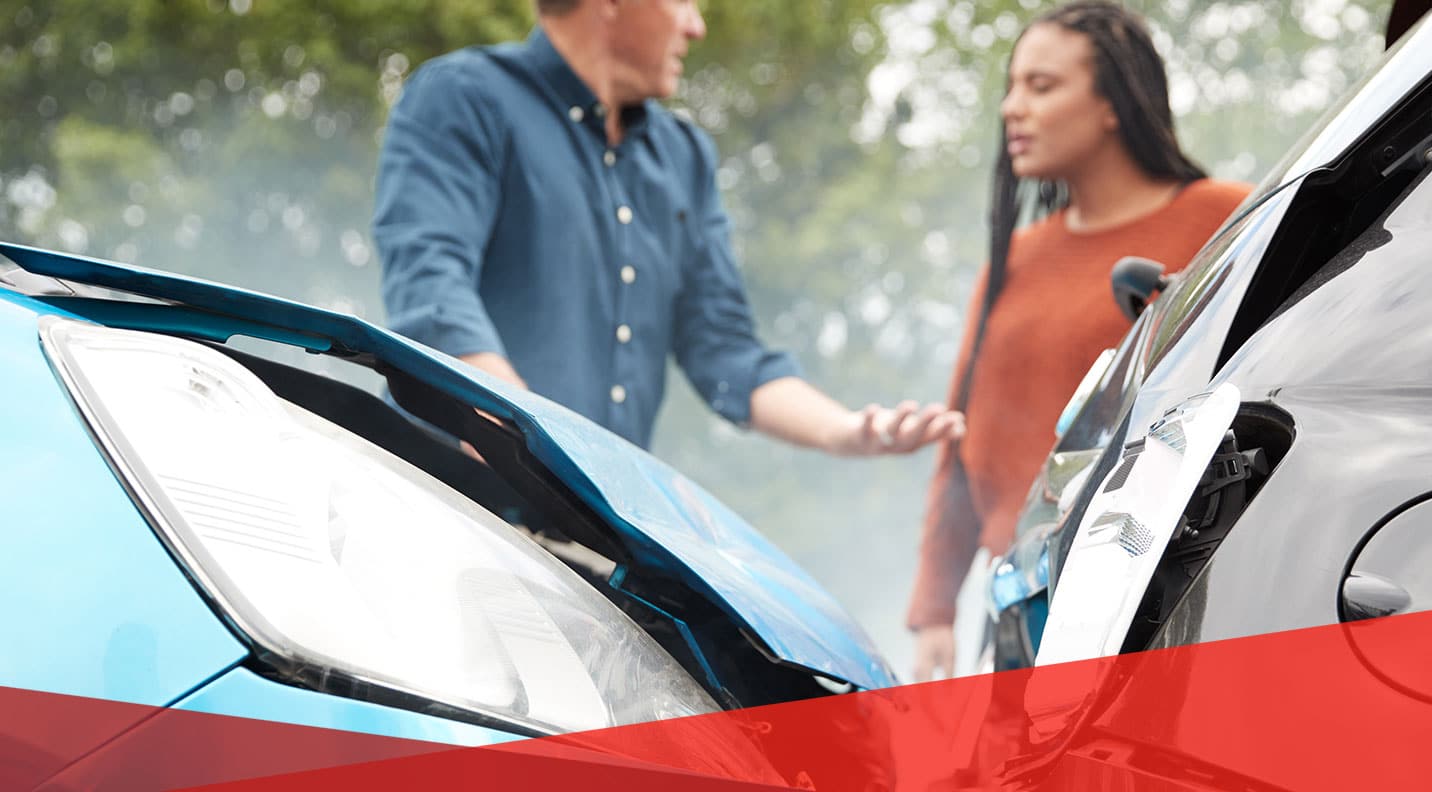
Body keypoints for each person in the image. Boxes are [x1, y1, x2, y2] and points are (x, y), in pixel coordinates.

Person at [373, 0, 962, 457]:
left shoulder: (684, 157)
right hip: (440, 505)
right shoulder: (464, 97)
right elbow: (432, 289)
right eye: (684, 1)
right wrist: (525, 442)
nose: (696, 26)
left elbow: (724, 349)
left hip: (584, 548)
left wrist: (847, 431)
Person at [906, 0, 1251, 682]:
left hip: (1160, 607)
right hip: (1018, 615)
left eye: (1042, 86)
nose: (1012, 107)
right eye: (1011, 86)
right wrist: (935, 610)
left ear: (1112, 104)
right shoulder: (1012, 262)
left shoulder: (1226, 220)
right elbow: (959, 444)